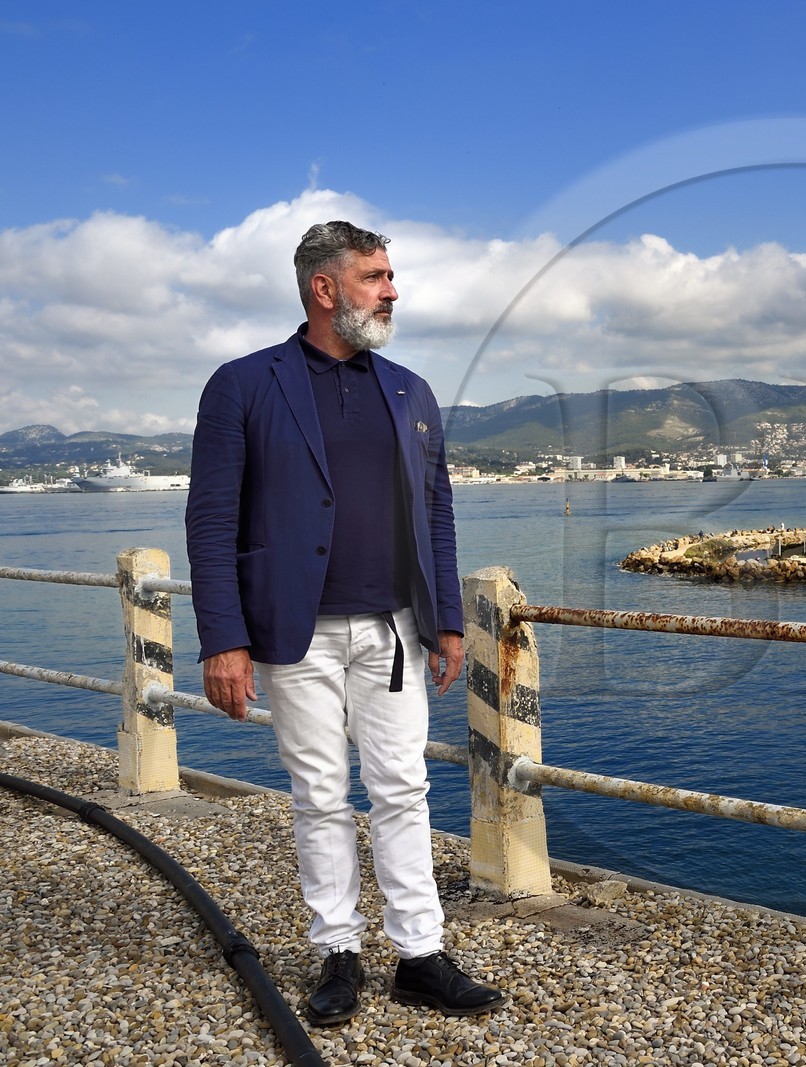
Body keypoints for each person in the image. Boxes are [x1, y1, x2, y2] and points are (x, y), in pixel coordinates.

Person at [186, 221, 505, 1027]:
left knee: (404, 786)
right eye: (376, 275)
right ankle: (339, 951)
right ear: (325, 288)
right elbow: (211, 517)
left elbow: (436, 510)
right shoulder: (244, 384)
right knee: (320, 794)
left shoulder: (410, 390)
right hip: (295, 631)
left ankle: (421, 956)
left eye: (391, 275)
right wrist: (223, 637)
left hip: (396, 628)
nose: (393, 289)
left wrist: (448, 620)